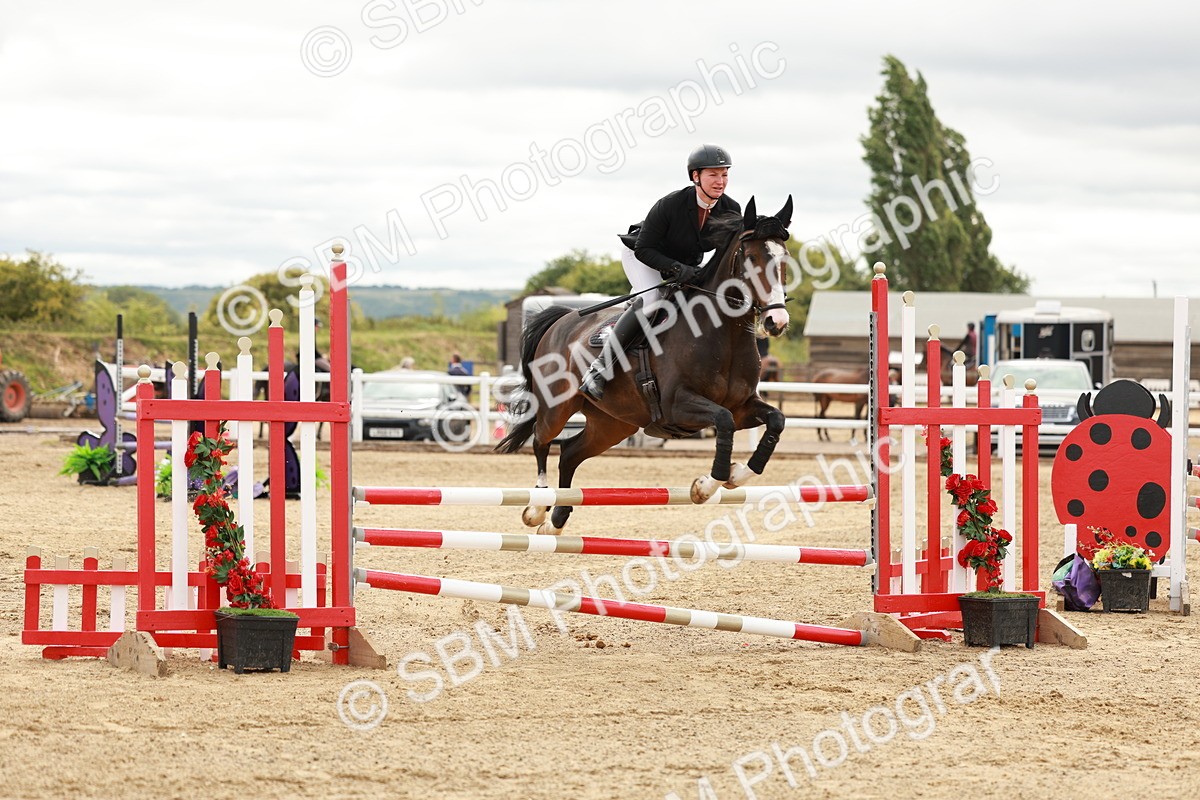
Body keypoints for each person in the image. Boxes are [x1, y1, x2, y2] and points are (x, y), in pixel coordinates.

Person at [578, 143, 741, 401]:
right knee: (652, 300)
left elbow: (724, 254)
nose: (720, 182)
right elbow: (645, 249)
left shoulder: (731, 209)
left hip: (683, 261)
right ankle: (598, 369)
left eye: (725, 175)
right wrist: (677, 269)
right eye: (713, 175)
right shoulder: (671, 204)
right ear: (695, 176)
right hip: (642, 254)